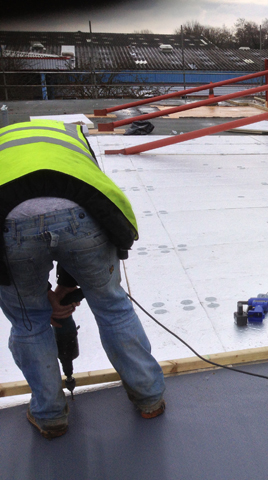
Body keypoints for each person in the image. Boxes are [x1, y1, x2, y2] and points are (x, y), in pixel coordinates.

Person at [0, 120, 166, 439]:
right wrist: (64, 286)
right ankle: (149, 398)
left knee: (28, 323)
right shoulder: (72, 137)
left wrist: (49, 292)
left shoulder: (5, 144)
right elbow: (88, 200)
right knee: (113, 308)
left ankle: (50, 415)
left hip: (9, 219)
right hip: (80, 210)